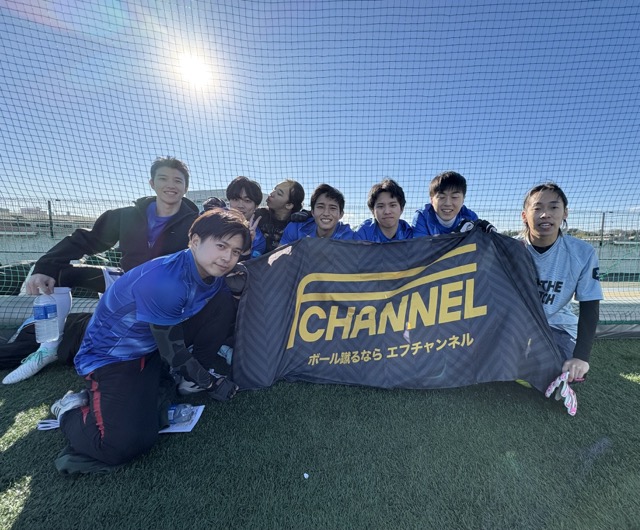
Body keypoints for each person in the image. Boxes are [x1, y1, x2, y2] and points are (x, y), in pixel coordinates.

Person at [50, 208, 250, 469]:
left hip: (150, 346)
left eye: (235, 251)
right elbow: (173, 353)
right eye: (221, 246)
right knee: (121, 445)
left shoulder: (211, 272)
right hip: (112, 357)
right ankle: (68, 409)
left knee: (222, 302)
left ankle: (185, 378)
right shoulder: (166, 282)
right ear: (195, 241)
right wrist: (211, 383)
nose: (227, 258)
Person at [3, 157, 201, 384]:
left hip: (162, 294)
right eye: (163, 178)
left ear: (186, 187)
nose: (170, 185)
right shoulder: (126, 215)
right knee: (59, 274)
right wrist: (44, 266)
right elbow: (87, 240)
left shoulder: (196, 223)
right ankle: (48, 349)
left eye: (178, 181)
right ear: (152, 183)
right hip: (125, 283)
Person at [521, 182, 603, 382]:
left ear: (565, 213)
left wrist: (581, 357)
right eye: (537, 208)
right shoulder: (510, 249)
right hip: (518, 326)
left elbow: (590, 306)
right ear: (524, 215)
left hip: (558, 326)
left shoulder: (582, 253)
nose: (545, 214)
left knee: (566, 370)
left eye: (553, 207)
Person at [279, 184, 354, 245]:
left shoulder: (349, 238)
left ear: (341, 214)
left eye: (333, 208)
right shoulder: (295, 228)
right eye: (320, 207)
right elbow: (280, 256)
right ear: (312, 212)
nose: (326, 213)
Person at [411, 171, 478, 236]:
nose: (448, 203)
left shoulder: (471, 218)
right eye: (441, 197)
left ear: (463, 200)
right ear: (431, 200)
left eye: (454, 197)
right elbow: (420, 243)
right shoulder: (423, 217)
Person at [255, 180, 306, 252]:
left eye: (279, 193)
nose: (272, 194)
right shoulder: (259, 214)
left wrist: (308, 214)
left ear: (289, 205)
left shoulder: (297, 223)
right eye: (274, 189)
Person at [226, 176, 266, 259]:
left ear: (256, 206)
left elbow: (250, 265)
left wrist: (247, 245)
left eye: (247, 201)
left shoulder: (258, 239)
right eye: (235, 199)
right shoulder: (214, 221)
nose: (240, 206)